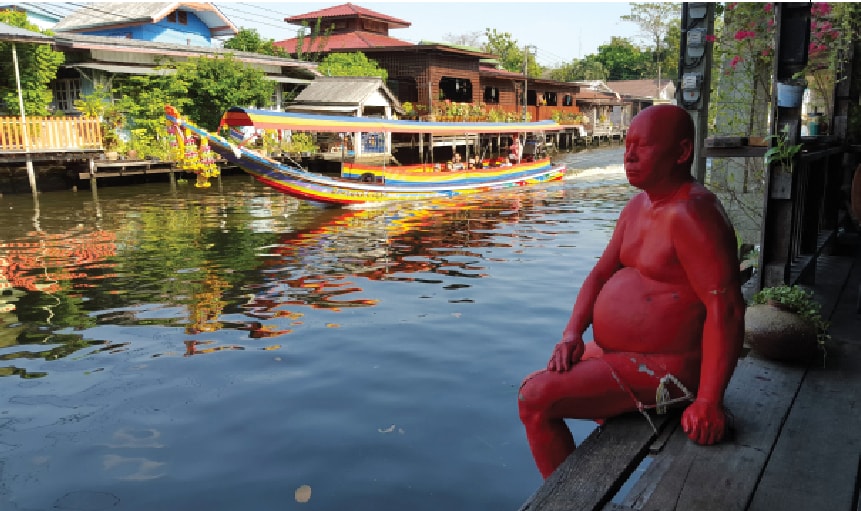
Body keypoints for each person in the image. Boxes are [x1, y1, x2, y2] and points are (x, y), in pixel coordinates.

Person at [517, 104, 745, 479]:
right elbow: (600, 274)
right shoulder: (638, 206)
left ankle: (566, 503)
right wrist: (572, 333)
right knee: (543, 376)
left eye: (642, 146)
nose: (629, 155)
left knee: (534, 400)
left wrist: (708, 401)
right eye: (627, 145)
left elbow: (728, 309)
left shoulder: (692, 212)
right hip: (623, 355)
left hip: (668, 369)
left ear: (681, 152)